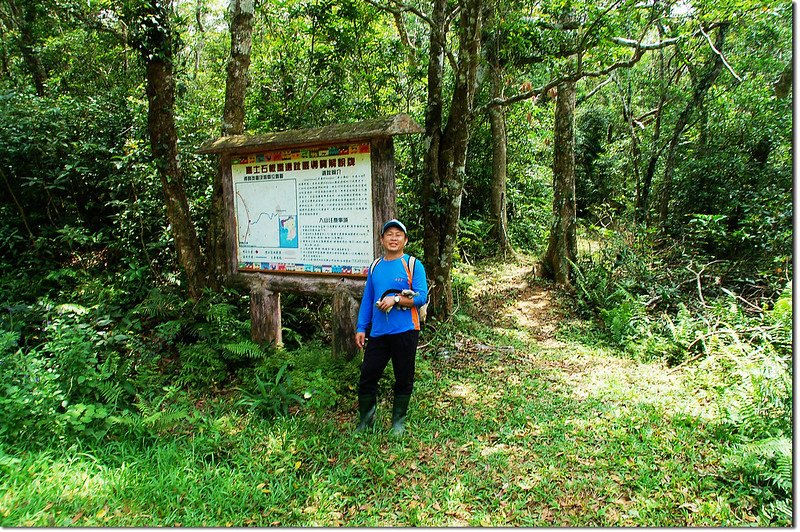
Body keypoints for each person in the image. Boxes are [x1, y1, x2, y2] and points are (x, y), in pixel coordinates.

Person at [354, 219, 428, 436]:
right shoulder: (375, 266)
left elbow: (421, 297)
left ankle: (398, 423)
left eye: (398, 234)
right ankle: (366, 422)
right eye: (389, 234)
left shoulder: (413, 264)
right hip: (378, 333)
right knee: (368, 376)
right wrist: (361, 327)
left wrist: (396, 299)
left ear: (405, 240)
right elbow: (368, 299)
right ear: (382, 239)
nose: (393, 238)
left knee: (403, 376)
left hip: (406, 330)